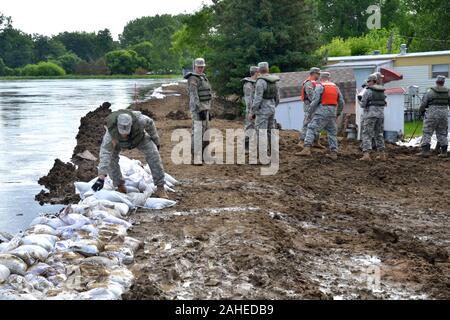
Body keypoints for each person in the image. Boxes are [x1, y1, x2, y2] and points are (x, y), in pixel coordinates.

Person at [92, 109, 169, 199]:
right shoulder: (110, 134)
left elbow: (150, 124)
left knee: (154, 154)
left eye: (126, 133)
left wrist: (156, 141)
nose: (124, 135)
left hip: (139, 138)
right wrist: (101, 177)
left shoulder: (140, 121)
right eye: (122, 133)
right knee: (112, 159)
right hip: (117, 142)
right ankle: (119, 185)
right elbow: (105, 154)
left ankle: (160, 187)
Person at [298, 72, 345, 160]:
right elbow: (342, 102)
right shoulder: (335, 87)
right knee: (332, 133)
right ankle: (334, 153)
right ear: (329, 78)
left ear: (321, 78)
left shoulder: (320, 86)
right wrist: (338, 113)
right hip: (332, 112)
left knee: (311, 128)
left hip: (322, 112)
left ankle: (306, 148)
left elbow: (315, 101)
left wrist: (309, 113)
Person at [184, 58, 213, 165]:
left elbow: (208, 94)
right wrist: (200, 109)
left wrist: (209, 110)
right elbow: (194, 96)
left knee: (206, 133)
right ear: (195, 67)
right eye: (199, 67)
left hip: (206, 108)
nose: (200, 68)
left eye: (202, 67)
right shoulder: (193, 78)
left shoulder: (204, 77)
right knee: (197, 133)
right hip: (197, 110)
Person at [250, 62, 280, 157]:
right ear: (268, 69)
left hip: (262, 110)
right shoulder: (274, 80)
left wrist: (252, 112)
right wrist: (273, 106)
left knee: (261, 132)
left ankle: (263, 155)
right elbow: (278, 97)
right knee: (271, 131)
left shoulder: (260, 82)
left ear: (258, 70)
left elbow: (257, 99)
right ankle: (274, 153)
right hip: (271, 108)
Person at [417, 75, 450, 158]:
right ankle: (444, 152)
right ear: (443, 82)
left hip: (432, 114)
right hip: (444, 114)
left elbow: (424, 103)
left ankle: (425, 151)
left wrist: (420, 111)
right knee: (442, 132)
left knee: (427, 132)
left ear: (436, 82)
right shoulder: (448, 92)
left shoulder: (430, 91)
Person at [359, 74, 388, 161]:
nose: (367, 83)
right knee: (379, 134)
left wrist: (359, 100)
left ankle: (366, 155)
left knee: (367, 134)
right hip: (380, 116)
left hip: (370, 116)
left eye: (368, 81)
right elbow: (385, 103)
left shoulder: (368, 91)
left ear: (372, 81)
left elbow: (363, 105)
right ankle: (382, 155)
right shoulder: (382, 91)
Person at [299, 67, 324, 149]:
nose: (319, 75)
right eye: (318, 74)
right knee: (307, 122)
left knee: (316, 123)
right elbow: (311, 96)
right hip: (309, 106)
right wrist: (319, 100)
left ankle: (316, 141)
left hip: (315, 106)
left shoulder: (315, 83)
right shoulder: (308, 83)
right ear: (314, 73)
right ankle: (302, 141)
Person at [242, 66, 260, 150]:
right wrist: (251, 111)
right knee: (249, 127)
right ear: (256, 72)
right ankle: (246, 146)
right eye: (258, 72)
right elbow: (248, 99)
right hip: (250, 110)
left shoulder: (257, 83)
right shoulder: (248, 85)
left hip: (257, 109)